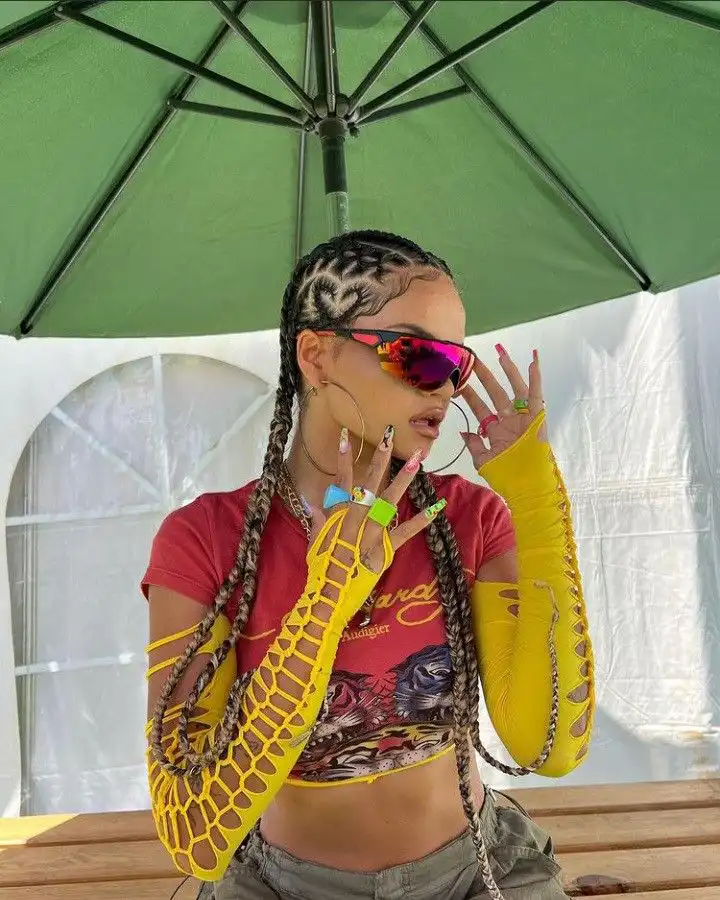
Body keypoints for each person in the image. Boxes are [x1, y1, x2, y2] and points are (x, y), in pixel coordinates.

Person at [142, 231, 594, 900]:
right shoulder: (206, 540)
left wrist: (534, 495)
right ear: (318, 356)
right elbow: (195, 831)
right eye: (417, 354)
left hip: (476, 868)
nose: (444, 384)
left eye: (456, 363)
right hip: (284, 884)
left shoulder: (466, 518)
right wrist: (322, 603)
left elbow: (549, 746)